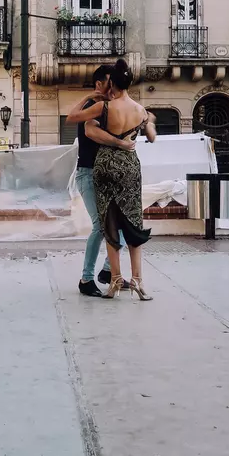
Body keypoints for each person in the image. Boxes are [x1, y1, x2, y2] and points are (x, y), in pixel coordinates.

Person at [68, 59, 157, 300]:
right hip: (88, 172)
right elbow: (84, 127)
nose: (110, 89)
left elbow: (147, 128)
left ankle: (110, 272)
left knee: (116, 222)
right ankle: (87, 278)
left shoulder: (111, 107)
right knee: (103, 225)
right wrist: (121, 142)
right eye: (107, 84)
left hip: (107, 171)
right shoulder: (95, 104)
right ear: (100, 84)